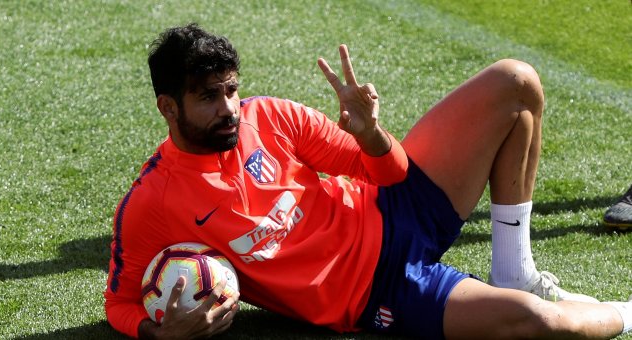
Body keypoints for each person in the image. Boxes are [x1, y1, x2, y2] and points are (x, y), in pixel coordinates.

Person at [104, 23, 632, 339]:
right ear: (168, 107)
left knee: (515, 83)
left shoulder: (272, 118)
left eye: (231, 90)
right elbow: (119, 303)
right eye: (207, 97)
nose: (228, 109)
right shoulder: (152, 202)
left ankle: (513, 267)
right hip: (381, 289)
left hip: (393, 205)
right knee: (542, 325)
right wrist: (159, 332)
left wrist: (372, 135)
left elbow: (389, 172)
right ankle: (625, 314)